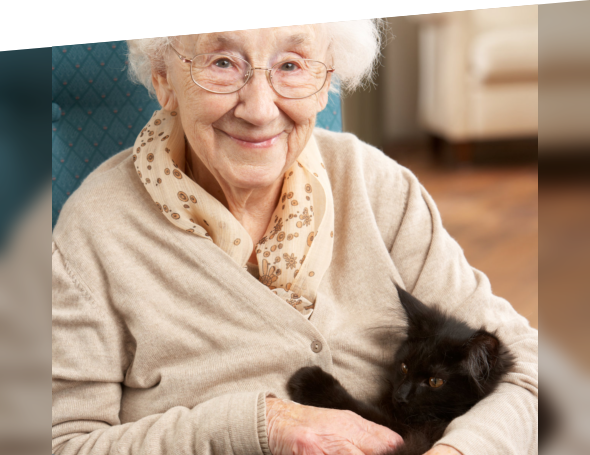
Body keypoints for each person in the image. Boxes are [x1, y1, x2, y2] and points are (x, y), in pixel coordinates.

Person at [52, 22, 538, 455]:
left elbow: (528, 371)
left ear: (327, 80)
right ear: (164, 79)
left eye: (291, 64)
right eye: (223, 62)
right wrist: (262, 426)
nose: (261, 110)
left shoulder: (376, 186)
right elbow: (61, 443)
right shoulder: (96, 231)